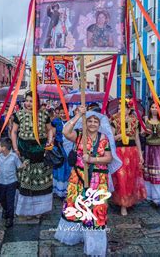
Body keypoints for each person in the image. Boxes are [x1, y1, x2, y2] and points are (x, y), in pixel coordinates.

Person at [54, 106, 120, 256]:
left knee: (97, 209)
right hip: (78, 177)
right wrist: (78, 116)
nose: (92, 124)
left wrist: (92, 159)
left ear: (99, 124)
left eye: (95, 121)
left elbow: (109, 158)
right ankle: (75, 236)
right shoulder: (79, 135)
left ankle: (94, 245)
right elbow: (65, 132)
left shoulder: (104, 138)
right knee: (75, 205)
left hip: (98, 178)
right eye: (89, 121)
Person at [11, 91, 54, 218]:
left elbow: (49, 130)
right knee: (26, 179)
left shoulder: (44, 114)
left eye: (32, 101)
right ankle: (27, 210)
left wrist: (49, 143)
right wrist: (15, 147)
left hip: (40, 151)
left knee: (40, 180)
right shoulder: (19, 115)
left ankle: (39, 210)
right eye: (27, 101)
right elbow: (14, 132)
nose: (29, 104)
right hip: (24, 151)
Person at [110, 100, 147, 216]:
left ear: (129, 109)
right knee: (121, 177)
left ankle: (128, 200)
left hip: (132, 152)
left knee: (131, 177)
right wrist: (119, 136)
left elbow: (136, 139)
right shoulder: (114, 120)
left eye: (123, 108)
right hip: (120, 152)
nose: (120, 110)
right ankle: (122, 204)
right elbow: (111, 138)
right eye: (119, 108)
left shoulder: (135, 121)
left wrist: (140, 155)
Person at [0, 137, 24, 228]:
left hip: (11, 182)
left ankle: (10, 218)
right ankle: (5, 209)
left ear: (4, 148)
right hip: (1, 182)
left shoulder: (14, 157)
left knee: (10, 200)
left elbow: (19, 167)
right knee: (1, 198)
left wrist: (23, 165)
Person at [142, 103, 160, 205]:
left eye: (156, 107)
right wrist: (145, 132)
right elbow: (142, 133)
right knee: (150, 171)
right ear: (150, 108)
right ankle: (150, 195)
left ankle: (159, 197)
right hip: (149, 147)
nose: (154, 109)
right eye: (152, 107)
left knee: (159, 171)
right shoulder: (146, 119)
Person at [51, 107, 73, 198]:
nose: (63, 114)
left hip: (70, 147)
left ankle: (68, 189)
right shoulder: (56, 122)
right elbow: (52, 134)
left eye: (65, 113)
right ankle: (58, 190)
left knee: (69, 168)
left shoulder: (72, 121)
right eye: (61, 113)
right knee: (60, 167)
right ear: (58, 113)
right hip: (59, 147)